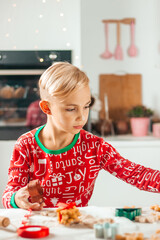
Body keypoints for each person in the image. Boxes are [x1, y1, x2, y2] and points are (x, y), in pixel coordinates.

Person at [2, 62, 160, 210]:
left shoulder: (94, 146)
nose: (82, 117)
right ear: (46, 107)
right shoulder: (25, 145)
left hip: (77, 226)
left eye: (86, 106)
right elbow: (8, 195)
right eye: (71, 109)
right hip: (38, 229)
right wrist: (16, 199)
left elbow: (135, 173)